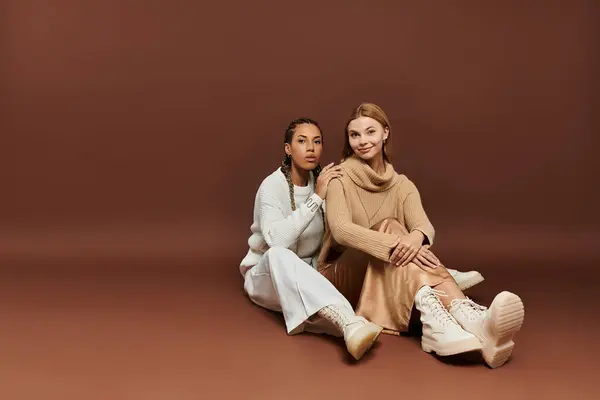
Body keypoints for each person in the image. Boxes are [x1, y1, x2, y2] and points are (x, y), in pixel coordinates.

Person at [316, 103, 525, 369]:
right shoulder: (338, 178)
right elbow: (342, 231)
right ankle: (457, 311)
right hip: (340, 276)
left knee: (405, 237)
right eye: (354, 135)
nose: (362, 141)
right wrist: (400, 243)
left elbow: (424, 227)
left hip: (385, 271)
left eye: (370, 132)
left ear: (385, 133)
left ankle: (474, 329)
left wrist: (415, 240)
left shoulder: (402, 185)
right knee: (391, 226)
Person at [239, 118, 384, 361]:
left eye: (317, 141)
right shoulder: (271, 186)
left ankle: (432, 279)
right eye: (302, 141)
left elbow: (342, 232)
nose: (311, 148)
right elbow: (277, 241)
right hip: (266, 276)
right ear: (288, 149)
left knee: (373, 237)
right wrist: (316, 198)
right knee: (278, 254)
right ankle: (347, 322)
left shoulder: (323, 180)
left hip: (314, 271)